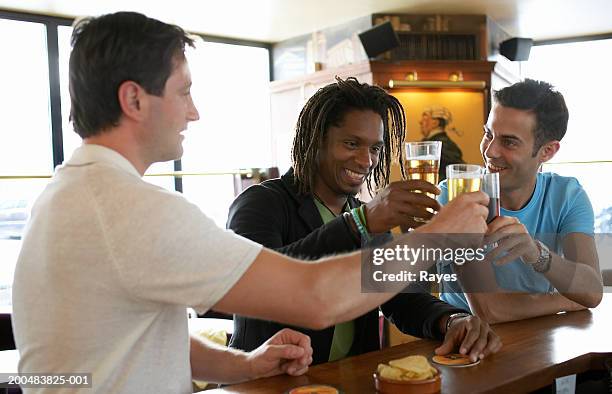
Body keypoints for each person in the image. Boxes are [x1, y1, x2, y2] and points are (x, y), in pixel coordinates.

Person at [11, 12, 491, 393]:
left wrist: (244, 363)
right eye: (184, 92)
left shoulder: (64, 196)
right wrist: (436, 236)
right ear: (134, 100)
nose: (193, 112)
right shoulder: (136, 209)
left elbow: (144, 337)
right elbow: (315, 299)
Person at [227, 77, 502, 365]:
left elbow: (402, 299)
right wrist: (360, 222)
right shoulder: (260, 202)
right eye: (351, 143)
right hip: (270, 382)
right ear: (315, 139)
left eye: (374, 148)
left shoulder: (364, 215)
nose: (366, 160)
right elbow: (262, 284)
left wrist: (452, 319)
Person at [438, 79, 603, 323]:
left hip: (539, 339)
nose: (490, 151)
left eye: (509, 142)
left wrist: (537, 254)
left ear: (547, 151)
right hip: (463, 343)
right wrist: (568, 300)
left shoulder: (568, 195)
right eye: (488, 134)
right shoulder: (455, 194)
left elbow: (591, 290)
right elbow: (489, 311)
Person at [419, 106, 464, 181]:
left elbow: (459, 169)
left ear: (435, 123)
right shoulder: (441, 143)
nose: (420, 122)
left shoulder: (440, 145)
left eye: (424, 118)